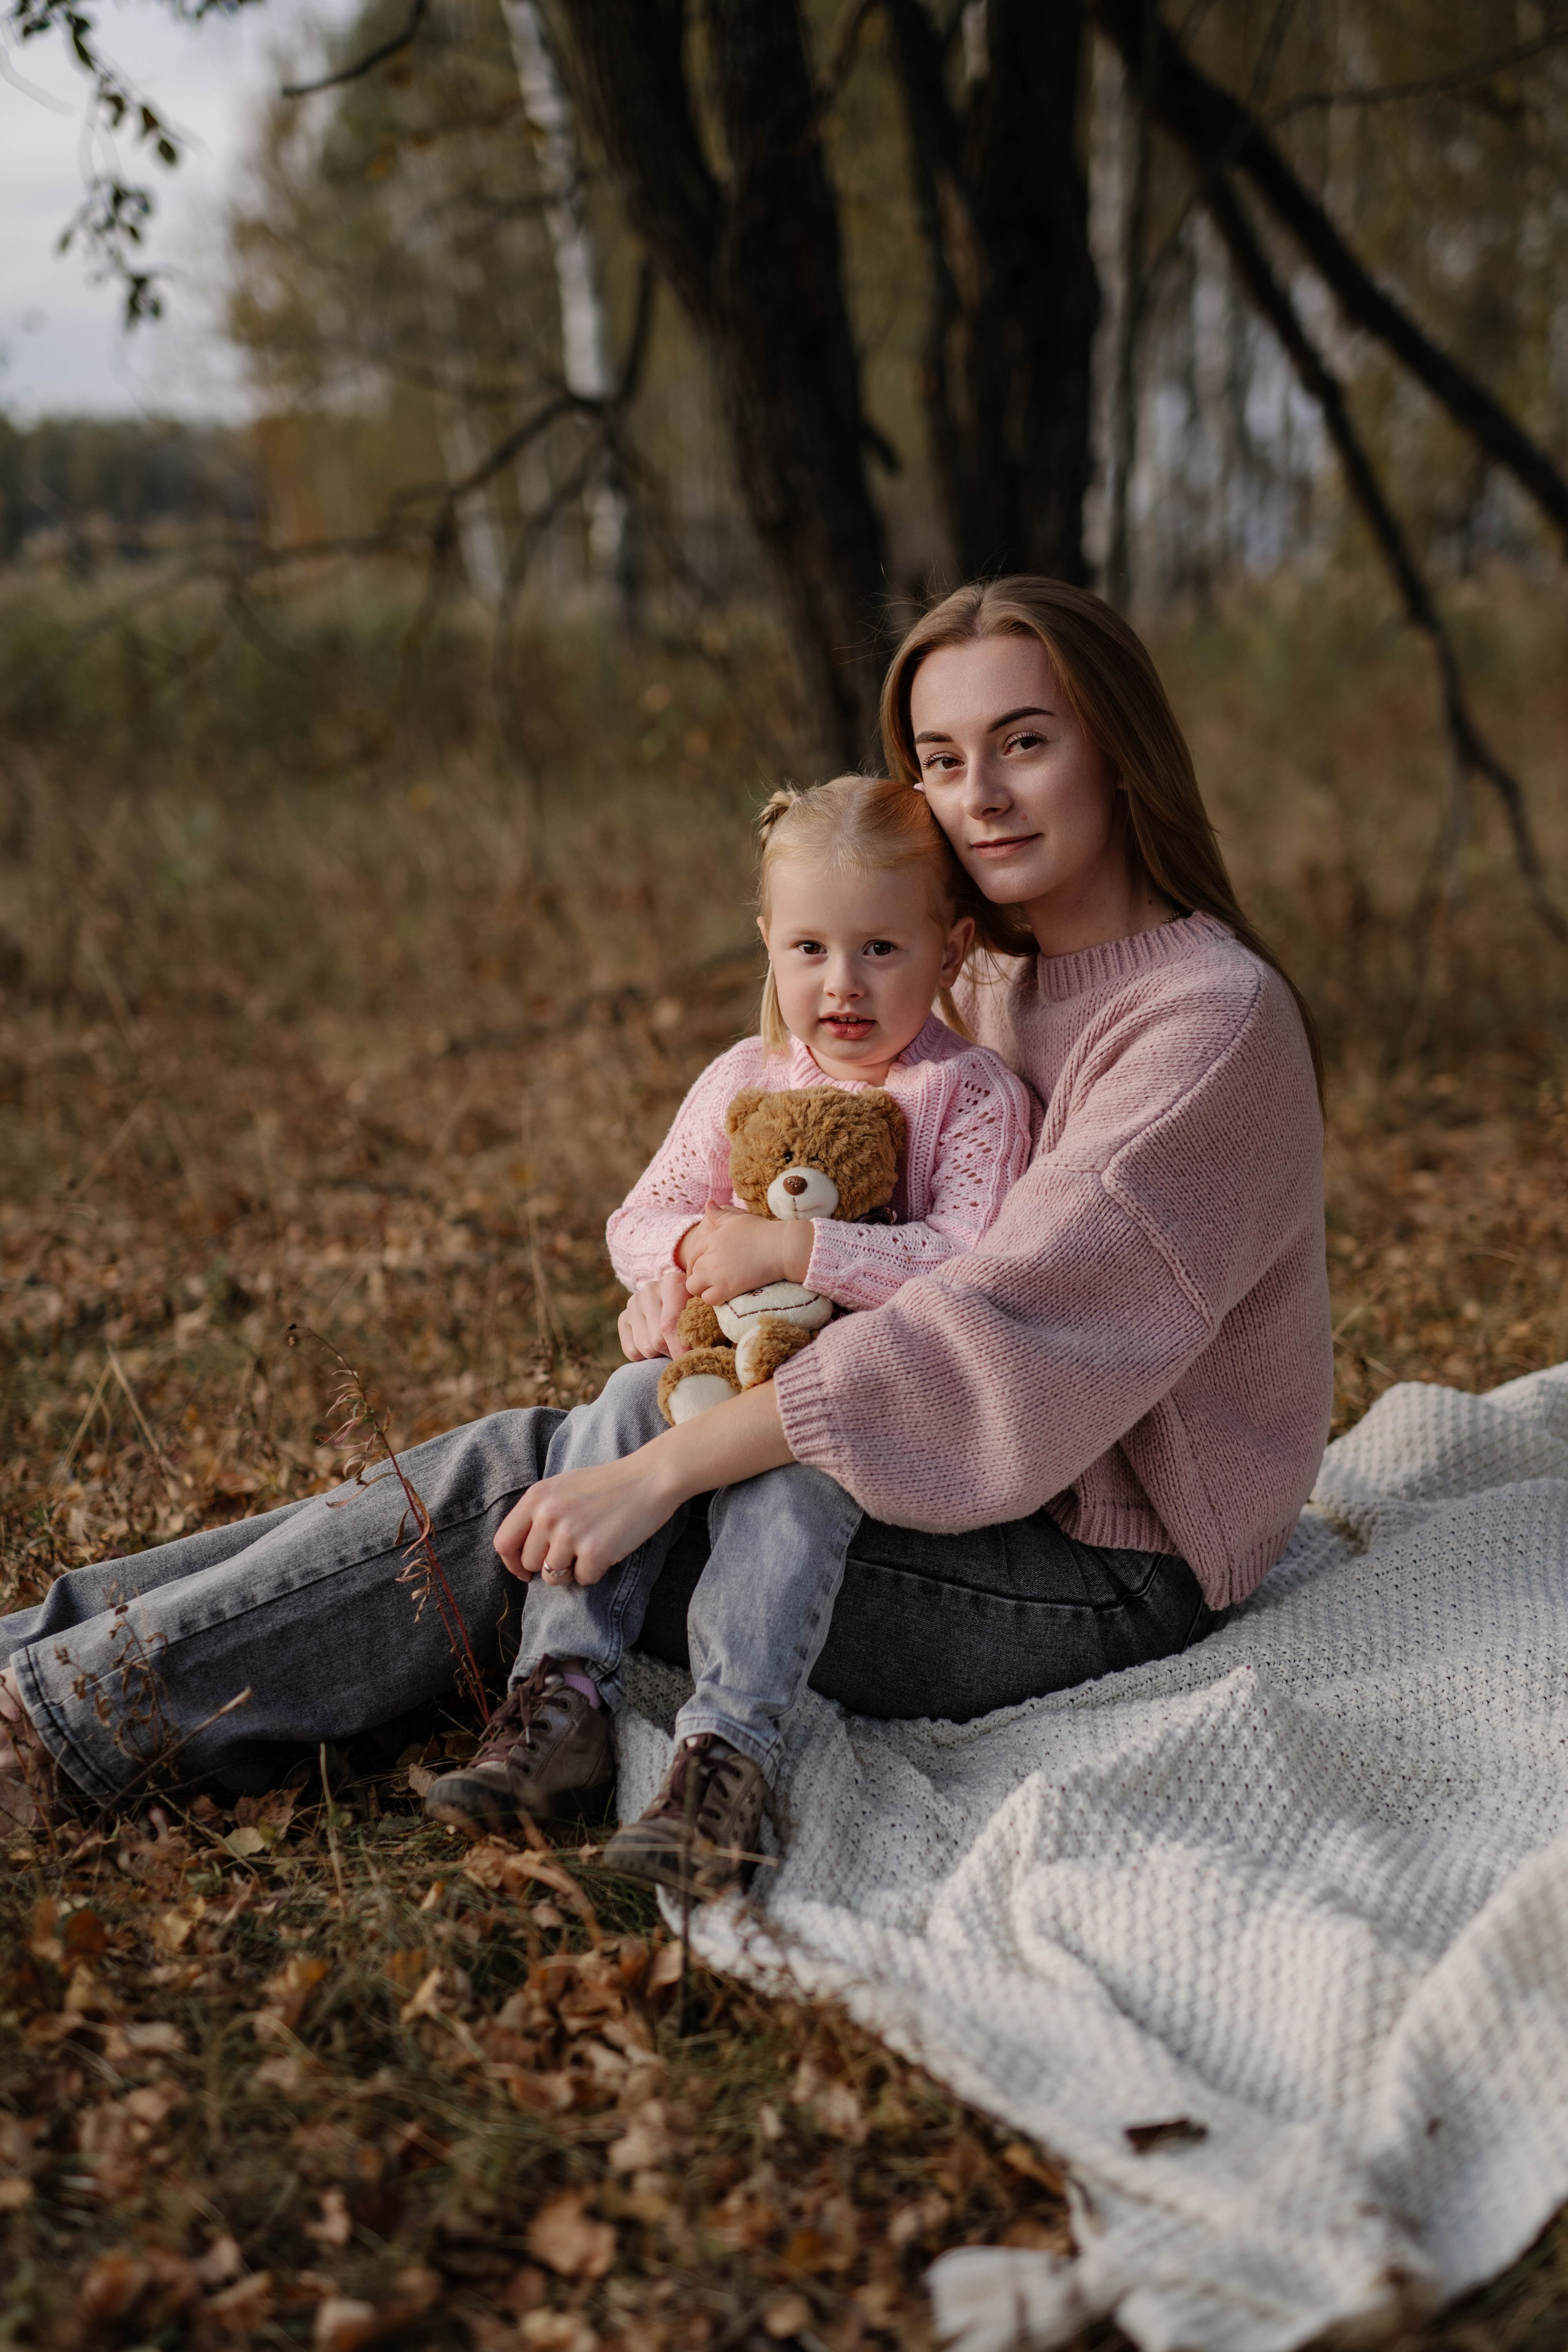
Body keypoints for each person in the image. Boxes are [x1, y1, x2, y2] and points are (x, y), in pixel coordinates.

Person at [0, 578, 1332, 1909]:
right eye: (939, 757)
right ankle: (40, 1667)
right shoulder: (972, 976)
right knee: (553, 1459)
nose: (976, 793)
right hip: (927, 1481)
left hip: (1086, 1564)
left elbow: (995, 1326)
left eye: (1024, 741)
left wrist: (667, 1467)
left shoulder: (1204, 1026)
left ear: (1118, 744)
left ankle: (54, 1726)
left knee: (528, 1481)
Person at [425, 774, 1032, 1892]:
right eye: (808, 949)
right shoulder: (743, 1078)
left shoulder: (969, 1096)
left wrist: (798, 1254)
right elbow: (644, 1216)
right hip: (714, 1368)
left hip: (846, 1409)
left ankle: (726, 1760)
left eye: (880, 951)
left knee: (793, 1492)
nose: (840, 985)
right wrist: (670, 1278)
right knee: (612, 1405)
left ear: (950, 952)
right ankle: (562, 1696)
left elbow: (971, 1263)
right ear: (767, 943)